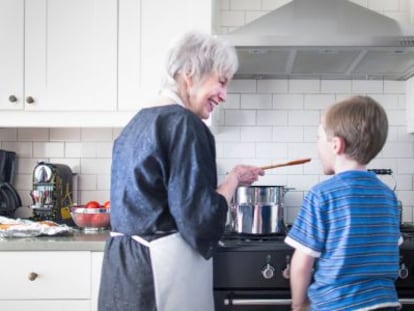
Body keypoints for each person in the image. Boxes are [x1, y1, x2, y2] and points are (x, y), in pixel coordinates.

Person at [98, 31, 264, 311]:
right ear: (191, 73)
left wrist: (233, 177)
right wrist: (232, 182)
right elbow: (200, 219)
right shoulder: (185, 125)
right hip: (159, 272)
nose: (224, 96)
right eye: (221, 82)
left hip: (122, 269)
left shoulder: (134, 124)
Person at [285, 96, 402, 311]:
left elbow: (302, 264)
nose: (317, 146)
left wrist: (299, 304)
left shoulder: (321, 195)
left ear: (336, 145)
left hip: (337, 305)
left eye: (319, 138)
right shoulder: (388, 196)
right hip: (385, 303)